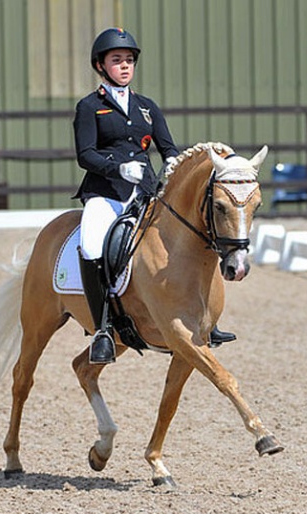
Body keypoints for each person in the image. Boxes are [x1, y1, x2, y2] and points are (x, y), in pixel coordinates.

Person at [73, 27, 235, 365]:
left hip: (145, 194)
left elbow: (168, 148)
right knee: (90, 244)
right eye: (117, 60)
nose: (125, 66)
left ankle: (208, 319)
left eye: (129, 60)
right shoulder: (90, 107)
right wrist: (117, 169)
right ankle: (103, 328)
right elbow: (85, 154)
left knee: (191, 240)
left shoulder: (146, 107)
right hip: (106, 194)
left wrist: (173, 165)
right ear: (101, 66)